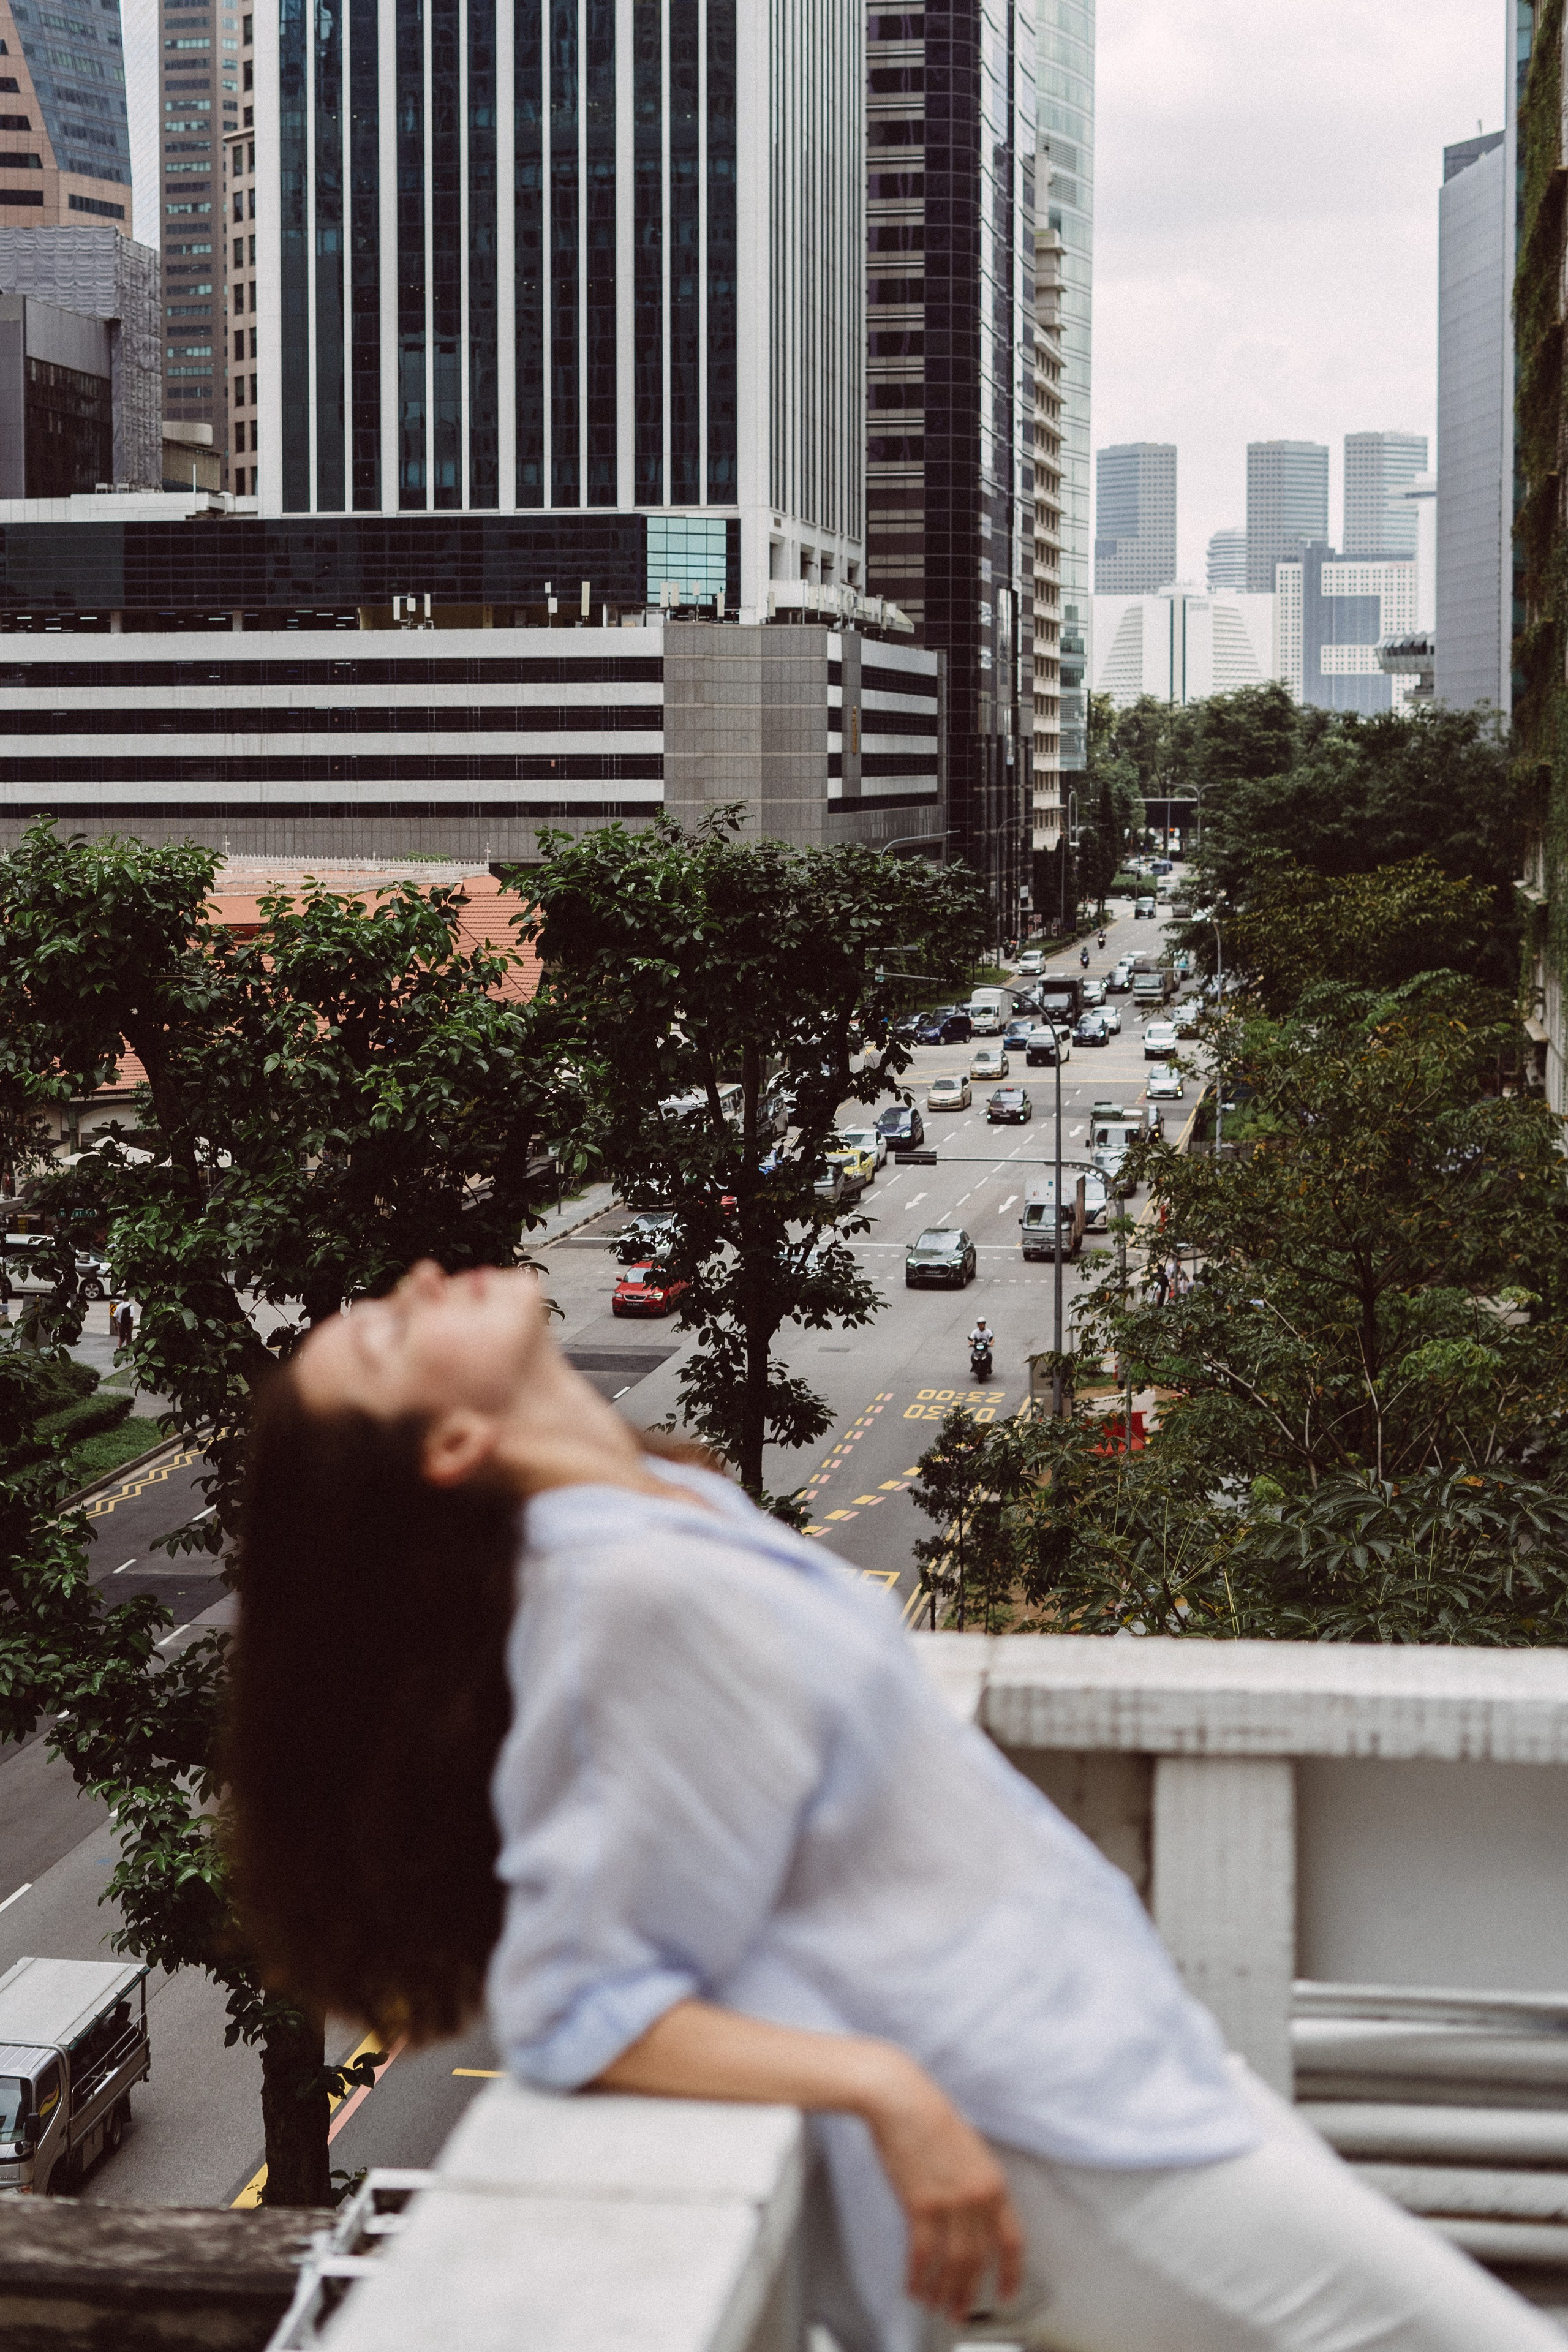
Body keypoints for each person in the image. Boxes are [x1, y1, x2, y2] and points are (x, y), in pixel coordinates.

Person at [225, 1264, 1562, 2352]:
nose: (414, 1280)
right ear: (453, 1442)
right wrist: (880, 2088)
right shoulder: (620, 1598)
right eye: (396, 1332)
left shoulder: (667, 1504)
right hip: (1046, 2128)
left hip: (1116, 2057)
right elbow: (568, 1998)